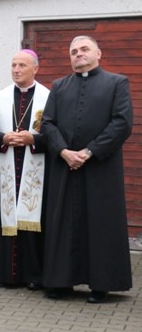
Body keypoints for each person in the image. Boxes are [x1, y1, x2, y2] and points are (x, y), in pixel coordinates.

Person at [41, 36, 133, 303]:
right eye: (73, 51)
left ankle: (100, 285)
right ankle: (61, 282)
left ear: (98, 54)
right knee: (63, 224)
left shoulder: (117, 83)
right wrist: (63, 151)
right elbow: (47, 124)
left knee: (100, 223)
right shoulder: (59, 86)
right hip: (65, 166)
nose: (78, 54)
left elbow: (121, 123)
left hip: (100, 168)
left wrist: (89, 151)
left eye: (84, 49)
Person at [0, 50, 50, 290]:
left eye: (22, 65)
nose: (16, 69)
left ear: (35, 69)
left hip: (36, 171)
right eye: (13, 65)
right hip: (7, 169)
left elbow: (55, 133)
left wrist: (34, 140)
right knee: (5, 219)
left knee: (33, 217)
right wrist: (4, 137)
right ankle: (1, 274)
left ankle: (34, 275)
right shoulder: (0, 97)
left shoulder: (48, 97)